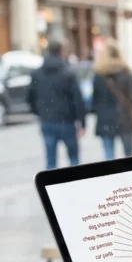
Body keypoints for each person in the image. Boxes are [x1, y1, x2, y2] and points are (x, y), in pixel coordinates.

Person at [27, 40, 86, 169]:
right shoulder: (68, 73)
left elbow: (30, 97)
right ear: (61, 52)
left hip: (47, 120)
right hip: (67, 121)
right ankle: (76, 185)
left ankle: (51, 187)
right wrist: (82, 122)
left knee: (51, 162)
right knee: (74, 160)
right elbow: (78, 99)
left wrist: (39, 112)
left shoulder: (37, 74)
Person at [90, 39, 132, 160]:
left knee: (109, 157)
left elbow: (94, 101)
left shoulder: (99, 75)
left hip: (105, 119)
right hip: (124, 118)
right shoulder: (126, 72)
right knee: (129, 156)